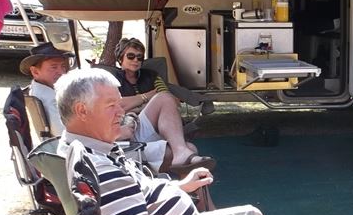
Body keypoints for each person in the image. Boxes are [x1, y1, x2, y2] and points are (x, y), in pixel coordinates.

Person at [54, 68, 291, 215]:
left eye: (119, 103)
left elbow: (128, 200)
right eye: (111, 105)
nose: (121, 112)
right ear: (82, 110)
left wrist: (178, 187)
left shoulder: (87, 147)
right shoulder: (97, 165)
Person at [22, 43, 212, 177]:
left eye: (63, 66)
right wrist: (124, 126)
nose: (61, 72)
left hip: (120, 128)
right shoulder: (50, 99)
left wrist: (129, 114)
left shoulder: (150, 75)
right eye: (53, 67)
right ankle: (194, 203)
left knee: (165, 98)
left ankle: (180, 156)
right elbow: (74, 135)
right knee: (190, 149)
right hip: (114, 143)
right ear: (35, 71)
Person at [110, 37, 212, 174]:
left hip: (155, 128)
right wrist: (147, 97)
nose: (136, 60)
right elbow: (117, 105)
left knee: (191, 148)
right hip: (129, 129)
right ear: (120, 58)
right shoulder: (112, 79)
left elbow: (172, 101)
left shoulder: (152, 76)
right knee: (162, 99)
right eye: (131, 56)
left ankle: (184, 166)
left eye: (140, 57)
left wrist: (136, 105)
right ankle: (180, 154)